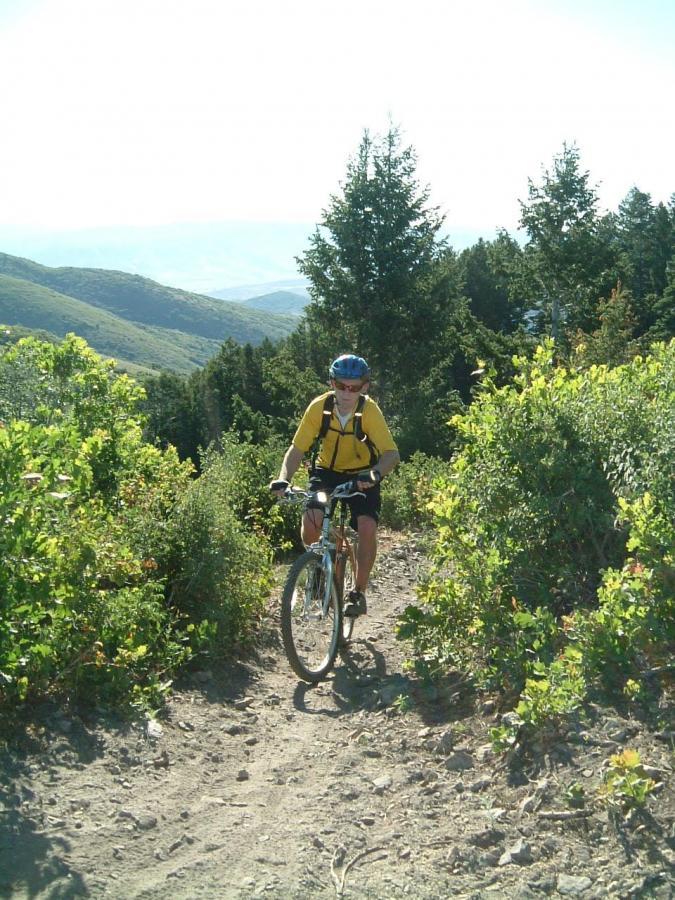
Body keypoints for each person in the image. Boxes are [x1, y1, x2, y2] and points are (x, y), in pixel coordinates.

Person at [270, 354, 400, 617]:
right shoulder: (320, 407)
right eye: (341, 385)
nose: (346, 393)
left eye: (353, 387)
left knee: (366, 527)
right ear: (332, 383)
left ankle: (358, 593)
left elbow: (391, 454)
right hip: (327, 472)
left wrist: (374, 475)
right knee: (311, 526)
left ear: (364, 387)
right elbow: (297, 449)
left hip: (363, 476)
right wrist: (284, 478)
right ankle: (321, 565)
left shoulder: (369, 411)